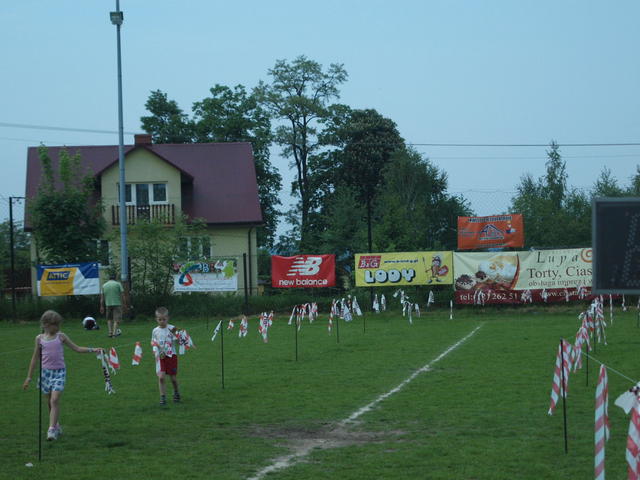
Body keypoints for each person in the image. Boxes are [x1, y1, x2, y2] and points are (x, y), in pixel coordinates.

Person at [23, 310, 103, 441]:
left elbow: (77, 348)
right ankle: (56, 425)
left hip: (59, 372)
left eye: (58, 324)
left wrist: (93, 349)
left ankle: (51, 430)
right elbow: (34, 358)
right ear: (46, 324)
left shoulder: (61, 337)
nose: (57, 327)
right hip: (45, 373)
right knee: (49, 402)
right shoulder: (39, 339)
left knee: (54, 399)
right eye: (55, 325)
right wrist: (29, 377)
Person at [151, 306, 181, 406]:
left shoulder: (172, 328)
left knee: (173, 378)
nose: (162, 321)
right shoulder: (155, 331)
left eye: (164, 319)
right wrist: (155, 351)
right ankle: (163, 397)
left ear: (167, 318)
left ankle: (176, 392)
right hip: (160, 357)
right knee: (161, 377)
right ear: (156, 319)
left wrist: (176, 334)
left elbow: (179, 342)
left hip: (171, 356)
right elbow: (153, 342)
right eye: (160, 319)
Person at [100, 273, 124, 337]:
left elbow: (102, 298)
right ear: (115, 278)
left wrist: (101, 306)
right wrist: (124, 303)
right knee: (116, 319)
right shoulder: (118, 284)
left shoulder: (104, 285)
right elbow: (122, 295)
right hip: (117, 304)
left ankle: (110, 332)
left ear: (109, 278)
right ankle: (114, 333)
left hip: (108, 304)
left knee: (109, 319)